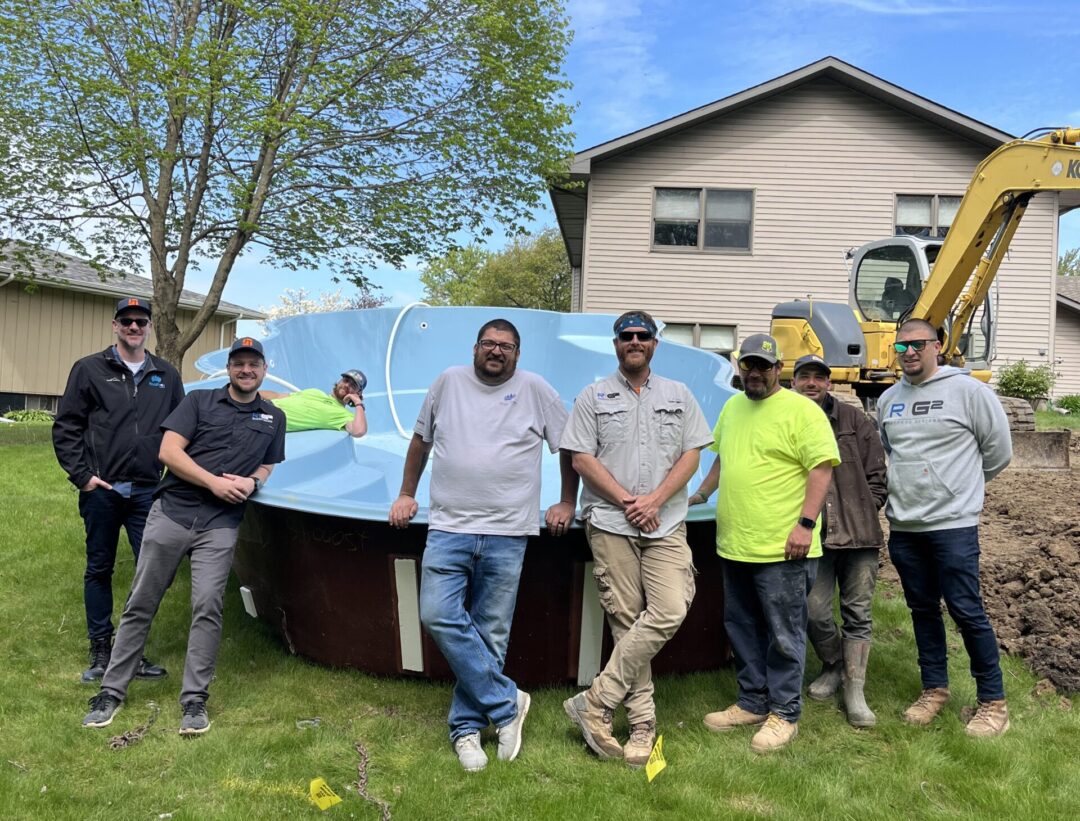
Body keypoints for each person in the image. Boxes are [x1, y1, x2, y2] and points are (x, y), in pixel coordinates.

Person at [388, 319, 577, 772]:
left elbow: (569, 448)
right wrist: (407, 492)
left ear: (518, 353)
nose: (496, 351)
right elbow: (420, 441)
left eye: (506, 346)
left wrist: (567, 501)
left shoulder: (537, 390)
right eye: (489, 344)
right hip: (449, 526)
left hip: (509, 531)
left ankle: (466, 730)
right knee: (436, 613)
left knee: (491, 632)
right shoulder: (447, 383)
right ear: (475, 348)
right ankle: (508, 700)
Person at [81, 337, 286, 735]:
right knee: (142, 601)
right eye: (239, 363)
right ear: (229, 369)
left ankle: (194, 701)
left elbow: (267, 464)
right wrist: (214, 483)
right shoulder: (199, 403)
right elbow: (169, 452)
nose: (246, 370)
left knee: (208, 606)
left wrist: (252, 482)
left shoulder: (273, 418)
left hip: (221, 524)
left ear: (263, 369)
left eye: (253, 364)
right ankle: (111, 692)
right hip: (172, 513)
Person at [560, 311, 713, 768]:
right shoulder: (593, 395)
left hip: (665, 523)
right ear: (615, 345)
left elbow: (692, 454)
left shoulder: (678, 395)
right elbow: (581, 460)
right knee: (626, 620)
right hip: (611, 520)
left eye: (642, 336)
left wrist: (657, 500)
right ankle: (643, 725)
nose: (633, 341)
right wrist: (631, 501)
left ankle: (596, 700)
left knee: (668, 609)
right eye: (625, 336)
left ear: (654, 344)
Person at [691, 334, 839, 753]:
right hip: (735, 543)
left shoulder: (802, 411)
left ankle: (785, 713)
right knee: (741, 627)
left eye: (764, 366)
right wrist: (701, 494)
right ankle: (752, 702)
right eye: (748, 365)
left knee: (783, 633)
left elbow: (822, 469)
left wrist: (805, 525)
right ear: (740, 367)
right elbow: (724, 456)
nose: (755, 373)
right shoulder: (733, 406)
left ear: (779, 370)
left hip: (784, 548)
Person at [877, 319, 1012, 737]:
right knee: (921, 611)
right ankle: (934, 688)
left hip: (953, 525)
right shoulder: (887, 400)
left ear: (938, 346)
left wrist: (958, 489)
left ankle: (993, 702)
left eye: (918, 344)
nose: (910, 353)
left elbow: (998, 453)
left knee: (966, 610)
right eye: (901, 348)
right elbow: (891, 453)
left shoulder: (969, 392)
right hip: (905, 526)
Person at [53, 296, 184, 684]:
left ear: (148, 327)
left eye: (140, 321)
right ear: (115, 325)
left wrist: (172, 480)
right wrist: (83, 476)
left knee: (153, 572)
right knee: (99, 568)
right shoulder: (89, 369)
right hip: (103, 490)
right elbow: (67, 427)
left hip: (148, 491)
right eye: (126, 321)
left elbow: (181, 430)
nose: (133, 327)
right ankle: (100, 650)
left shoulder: (166, 374)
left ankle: (131, 650)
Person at [791, 354, 887, 727]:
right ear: (794, 381)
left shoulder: (854, 421)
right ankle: (834, 665)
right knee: (814, 610)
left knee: (858, 613)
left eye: (819, 377)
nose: (812, 383)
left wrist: (862, 508)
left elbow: (877, 476)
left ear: (829, 383)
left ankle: (855, 689)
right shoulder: (788, 417)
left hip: (859, 537)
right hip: (812, 536)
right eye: (805, 376)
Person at [260, 369, 368, 437]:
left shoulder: (344, 415)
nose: (347, 385)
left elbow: (358, 431)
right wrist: (248, 395)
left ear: (358, 393)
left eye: (353, 385)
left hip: (268, 419)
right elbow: (278, 396)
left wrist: (358, 403)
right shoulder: (315, 392)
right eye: (345, 380)